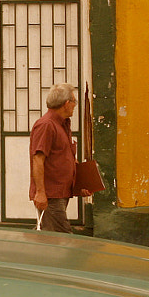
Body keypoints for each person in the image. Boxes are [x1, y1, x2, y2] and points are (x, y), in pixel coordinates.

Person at [29, 82, 93, 233]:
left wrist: (81, 184)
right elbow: (38, 159)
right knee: (61, 237)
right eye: (74, 102)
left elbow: (67, 159)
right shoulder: (46, 125)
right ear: (66, 103)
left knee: (50, 236)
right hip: (51, 195)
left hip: (60, 193)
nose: (75, 106)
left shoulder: (63, 125)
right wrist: (40, 192)